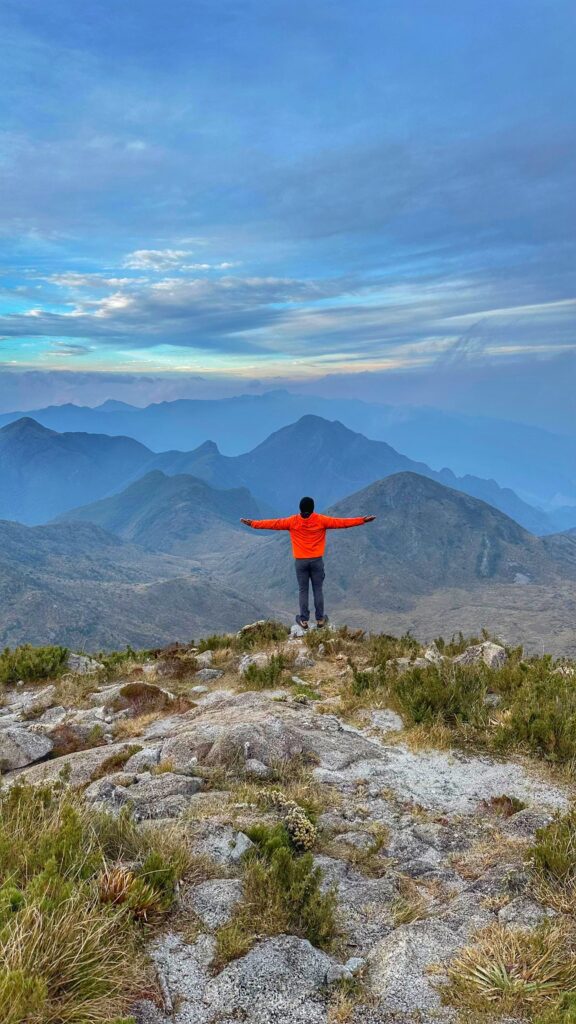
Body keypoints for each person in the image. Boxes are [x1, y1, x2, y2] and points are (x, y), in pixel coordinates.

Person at [240, 496, 375, 629]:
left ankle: (303, 620)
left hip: (300, 562)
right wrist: (362, 520)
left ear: (300, 508)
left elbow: (272, 524)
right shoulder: (321, 520)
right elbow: (342, 522)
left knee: (303, 591)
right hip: (317, 561)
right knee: (318, 590)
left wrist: (253, 524)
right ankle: (320, 619)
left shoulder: (292, 521)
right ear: (313, 508)